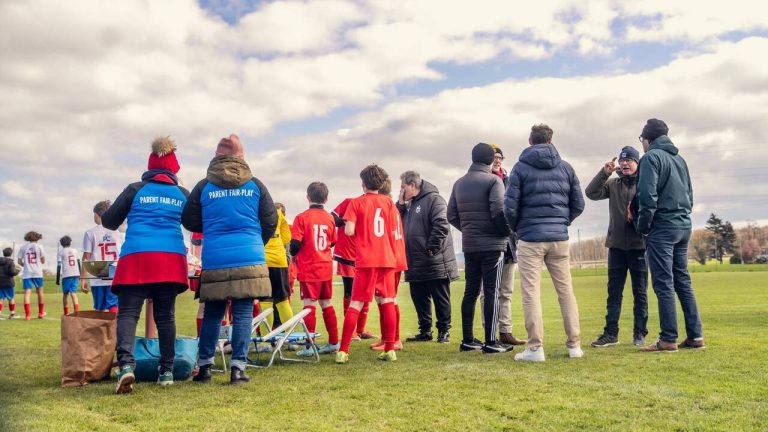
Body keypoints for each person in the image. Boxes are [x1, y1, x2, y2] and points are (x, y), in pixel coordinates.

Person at [182, 134, 277, 385]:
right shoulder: (256, 185)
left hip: (215, 258)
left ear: (217, 156)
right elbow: (270, 221)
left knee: (213, 312)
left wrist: (213, 225)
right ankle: (238, 369)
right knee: (243, 313)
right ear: (242, 157)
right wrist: (256, 242)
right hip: (249, 255)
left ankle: (204, 369)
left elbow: (189, 220)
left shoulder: (204, 186)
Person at [101, 137, 190, 394]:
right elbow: (195, 223)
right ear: (175, 168)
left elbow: (109, 221)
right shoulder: (182, 193)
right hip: (170, 258)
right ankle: (166, 370)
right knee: (166, 316)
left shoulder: (135, 189)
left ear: (151, 164)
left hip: (137, 255)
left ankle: (127, 367)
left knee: (128, 314)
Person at [504, 124, 585, 362]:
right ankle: (574, 345)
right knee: (566, 291)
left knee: (531, 292)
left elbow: (509, 206)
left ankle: (535, 347)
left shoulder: (520, 168)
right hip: (559, 238)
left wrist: (518, 228)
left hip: (530, 238)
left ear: (530, 140)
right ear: (551, 140)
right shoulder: (566, 168)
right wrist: (562, 222)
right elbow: (578, 204)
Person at [635, 119, 704, 352]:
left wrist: (643, 225)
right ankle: (695, 336)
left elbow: (646, 196)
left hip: (662, 228)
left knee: (664, 283)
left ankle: (668, 339)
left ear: (648, 139)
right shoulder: (679, 159)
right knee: (683, 281)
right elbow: (690, 194)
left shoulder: (650, 159)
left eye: (641, 139)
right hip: (683, 225)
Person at [447, 143, 513, 354]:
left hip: (470, 245)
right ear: (488, 160)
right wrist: (506, 232)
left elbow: (452, 215)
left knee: (471, 292)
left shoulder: (459, 183)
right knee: (492, 292)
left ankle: (467, 340)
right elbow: (497, 211)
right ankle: (491, 341)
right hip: (493, 245)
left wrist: (468, 229)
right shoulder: (494, 180)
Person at [336, 164, 401, 364]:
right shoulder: (389, 203)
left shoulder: (356, 203)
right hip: (387, 259)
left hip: (366, 259)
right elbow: (391, 232)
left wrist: (362, 232)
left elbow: (348, 231)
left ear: (363, 184)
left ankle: (343, 350)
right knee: (387, 301)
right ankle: (390, 348)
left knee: (356, 303)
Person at [585, 146, 648, 347]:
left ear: (637, 163)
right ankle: (611, 333)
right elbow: (591, 192)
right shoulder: (613, 184)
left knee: (640, 292)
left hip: (640, 246)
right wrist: (604, 173)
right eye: (622, 161)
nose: (624, 163)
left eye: (629, 160)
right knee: (614, 292)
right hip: (616, 247)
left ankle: (639, 333)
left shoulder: (646, 183)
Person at [397, 170, 458, 344]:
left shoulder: (434, 200)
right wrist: (400, 204)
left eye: (403, 187)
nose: (401, 192)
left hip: (433, 259)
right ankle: (425, 331)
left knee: (440, 297)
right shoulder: (407, 204)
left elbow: (441, 224)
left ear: (413, 186)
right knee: (419, 297)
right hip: (414, 261)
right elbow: (394, 219)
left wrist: (431, 248)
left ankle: (444, 331)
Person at [479, 145, 526, 346]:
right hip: (489, 243)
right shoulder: (482, 181)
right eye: (493, 157)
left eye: (500, 157)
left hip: (509, 243)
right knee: (488, 292)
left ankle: (505, 331)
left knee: (506, 291)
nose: (497, 160)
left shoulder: (508, 180)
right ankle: (489, 331)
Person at [290, 182, 340, 356]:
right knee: (326, 303)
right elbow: (333, 241)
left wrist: (292, 254)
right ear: (326, 198)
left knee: (309, 305)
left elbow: (295, 244)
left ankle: (309, 347)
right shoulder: (330, 218)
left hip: (309, 267)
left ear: (308, 197)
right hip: (325, 266)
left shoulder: (301, 217)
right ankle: (334, 342)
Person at [332, 198, 374, 340]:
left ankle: (361, 329)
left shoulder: (376, 206)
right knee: (350, 292)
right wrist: (348, 220)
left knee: (367, 292)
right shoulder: (349, 202)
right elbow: (332, 219)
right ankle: (352, 332)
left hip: (365, 255)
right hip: (346, 254)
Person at [81, 201, 123, 313]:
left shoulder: (90, 233)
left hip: (98, 272)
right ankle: (113, 330)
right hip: (114, 272)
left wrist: (83, 278)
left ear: (96, 214)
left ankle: (101, 330)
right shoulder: (119, 233)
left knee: (99, 308)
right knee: (113, 305)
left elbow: (86, 257)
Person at [262, 203, 294, 328]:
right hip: (279, 260)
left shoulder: (259, 215)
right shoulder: (280, 216)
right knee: (282, 300)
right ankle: (289, 338)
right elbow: (287, 238)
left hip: (263, 260)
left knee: (265, 301)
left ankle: (265, 341)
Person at [18, 231, 46, 320]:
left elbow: (19, 261)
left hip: (27, 273)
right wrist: (40, 261)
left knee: (27, 293)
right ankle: (41, 313)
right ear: (37, 237)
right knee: (40, 292)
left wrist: (25, 265)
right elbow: (43, 260)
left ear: (28, 237)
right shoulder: (40, 247)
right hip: (37, 272)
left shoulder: (22, 247)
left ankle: (27, 315)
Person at [56, 236, 81, 316]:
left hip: (67, 274)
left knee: (65, 294)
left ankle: (66, 313)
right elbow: (78, 263)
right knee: (73, 293)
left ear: (61, 243)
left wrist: (57, 279)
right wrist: (80, 274)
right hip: (76, 273)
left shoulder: (61, 252)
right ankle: (77, 312)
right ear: (70, 242)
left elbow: (59, 266)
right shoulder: (75, 251)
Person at [0, 247, 21, 319]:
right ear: (11, 254)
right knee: (11, 298)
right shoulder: (10, 262)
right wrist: (17, 271)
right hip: (8, 282)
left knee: (0, 298)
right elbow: (12, 272)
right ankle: (12, 314)